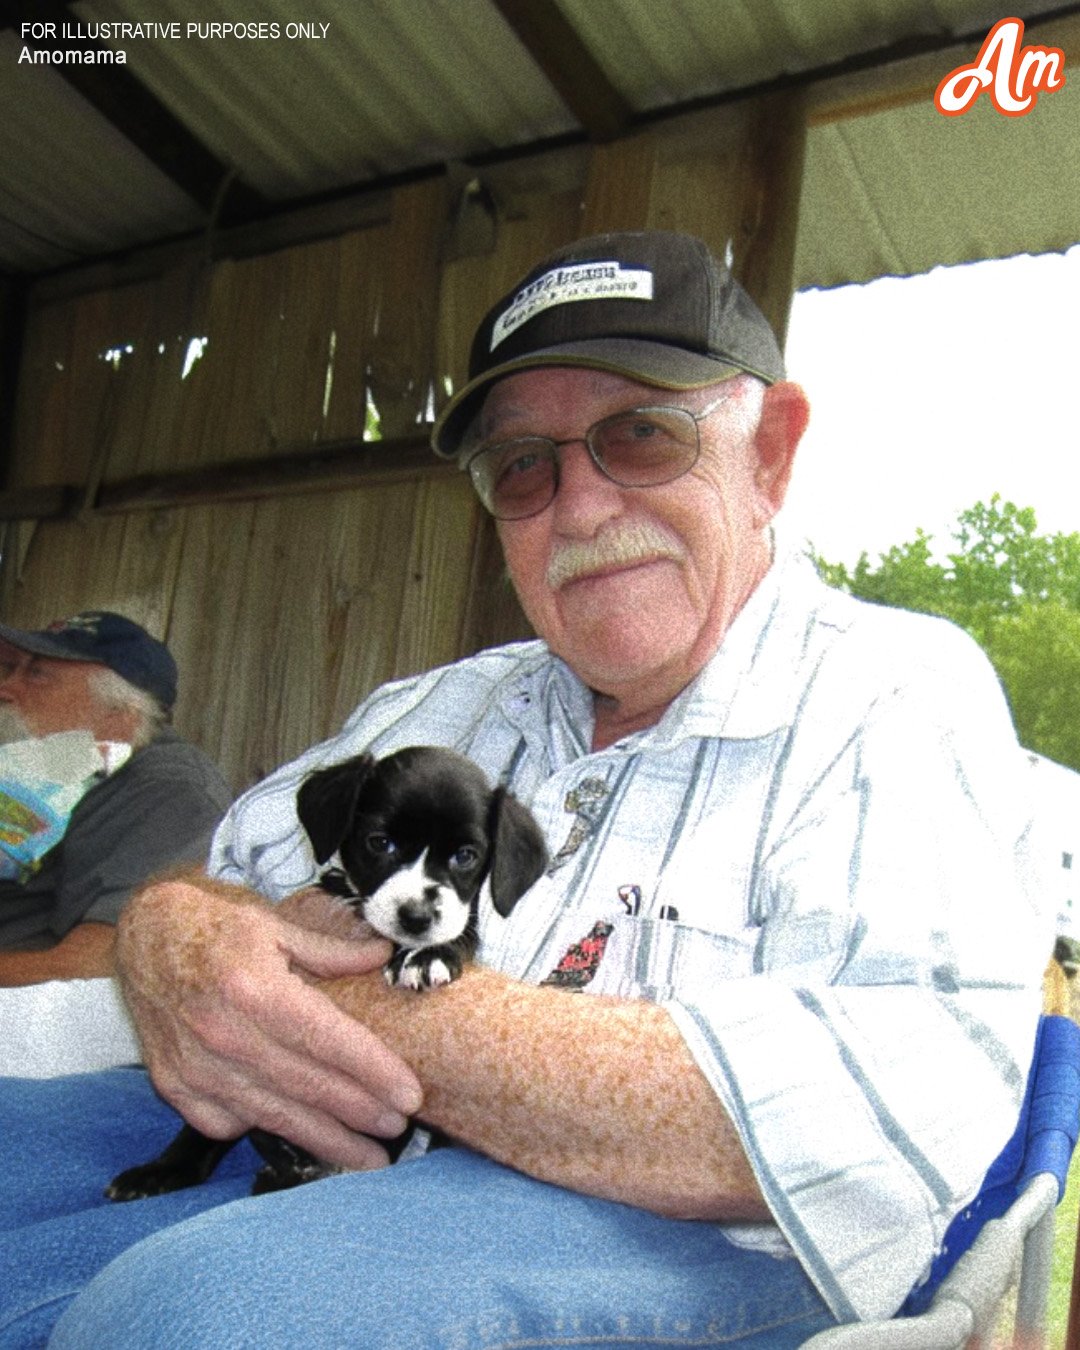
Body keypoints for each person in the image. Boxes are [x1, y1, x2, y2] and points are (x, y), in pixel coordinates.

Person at [0, 231, 1050, 1349]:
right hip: (312, 1137)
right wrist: (170, 926)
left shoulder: (891, 693)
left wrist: (350, 999)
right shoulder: (428, 710)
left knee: (200, 1317)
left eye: (641, 434)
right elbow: (209, 896)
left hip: (696, 1223)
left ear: (772, 454)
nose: (581, 507)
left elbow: (871, 1115)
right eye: (524, 467)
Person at [0, 611, 231, 984]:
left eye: (38, 675)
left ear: (118, 714)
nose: (6, 689)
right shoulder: (50, 765)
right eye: (9, 670)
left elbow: (95, 966)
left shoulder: (169, 793)